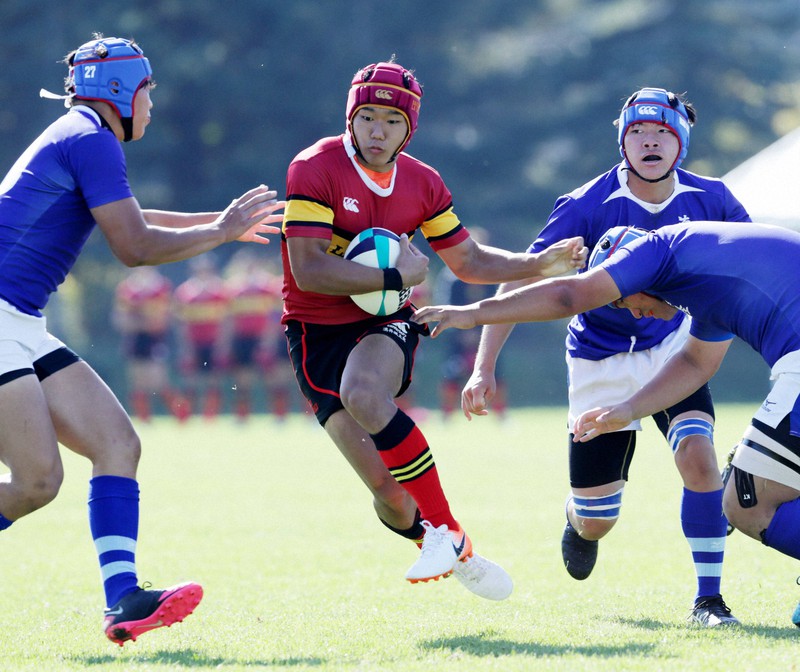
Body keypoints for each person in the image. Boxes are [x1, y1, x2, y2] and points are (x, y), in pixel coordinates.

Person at [2, 35, 282, 645]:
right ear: (121, 91)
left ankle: (124, 600)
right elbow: (135, 248)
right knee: (35, 481)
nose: (153, 101)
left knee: (117, 444)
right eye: (148, 88)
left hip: (18, 321)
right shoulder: (90, 138)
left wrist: (223, 225)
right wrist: (219, 230)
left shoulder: (83, 135)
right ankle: (122, 597)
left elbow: (133, 217)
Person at [280, 57, 587, 601]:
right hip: (315, 329)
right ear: (351, 116)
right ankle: (456, 545)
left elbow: (468, 261)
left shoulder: (423, 183)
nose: (379, 130)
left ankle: (442, 528)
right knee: (389, 494)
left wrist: (538, 264)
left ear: (409, 127)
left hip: (384, 320)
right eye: (369, 116)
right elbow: (308, 268)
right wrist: (400, 271)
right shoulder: (315, 167)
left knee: (364, 393)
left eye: (393, 121)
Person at [458, 88, 750, 626]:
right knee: (599, 518)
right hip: (598, 359)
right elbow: (523, 282)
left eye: (662, 132)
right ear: (622, 141)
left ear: (681, 141)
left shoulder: (714, 200)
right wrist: (482, 366)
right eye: (638, 132)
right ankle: (578, 519)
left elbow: (747, 273)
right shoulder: (586, 204)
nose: (650, 142)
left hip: (674, 351)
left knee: (698, 458)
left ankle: (709, 601)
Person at [415, 221, 800, 627]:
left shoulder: (655, 251)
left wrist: (471, 314)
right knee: (770, 481)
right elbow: (695, 362)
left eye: (619, 300)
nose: (633, 312)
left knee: (745, 501)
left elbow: (567, 294)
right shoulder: (705, 284)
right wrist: (628, 410)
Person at [433, 227, 506, 421]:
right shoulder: (452, 278)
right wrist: (461, 331)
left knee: (497, 372)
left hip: (487, 332)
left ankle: (501, 414)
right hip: (458, 334)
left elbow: (500, 306)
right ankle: (446, 416)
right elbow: (445, 306)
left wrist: (481, 330)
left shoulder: (492, 277)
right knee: (451, 373)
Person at [224, 250, 294, 422]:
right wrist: (227, 344)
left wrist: (267, 342)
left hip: (263, 338)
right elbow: (229, 319)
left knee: (275, 378)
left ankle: (280, 415)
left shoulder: (267, 288)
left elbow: (273, 315)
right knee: (243, 379)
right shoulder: (234, 289)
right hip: (243, 339)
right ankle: (242, 416)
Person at [113, 266, 189, 422]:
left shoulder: (160, 286)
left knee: (159, 381)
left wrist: (138, 321)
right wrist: (141, 322)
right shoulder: (127, 287)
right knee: (137, 381)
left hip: (155, 339)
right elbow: (120, 319)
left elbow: (162, 319)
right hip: (134, 338)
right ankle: (144, 420)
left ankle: (181, 415)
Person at [174, 255, 231, 420]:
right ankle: (188, 416)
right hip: (194, 343)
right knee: (190, 380)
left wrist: (223, 345)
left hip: (213, 342)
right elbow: (181, 324)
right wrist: (185, 347)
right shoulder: (185, 291)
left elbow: (226, 321)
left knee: (214, 380)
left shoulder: (220, 290)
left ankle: (210, 416)